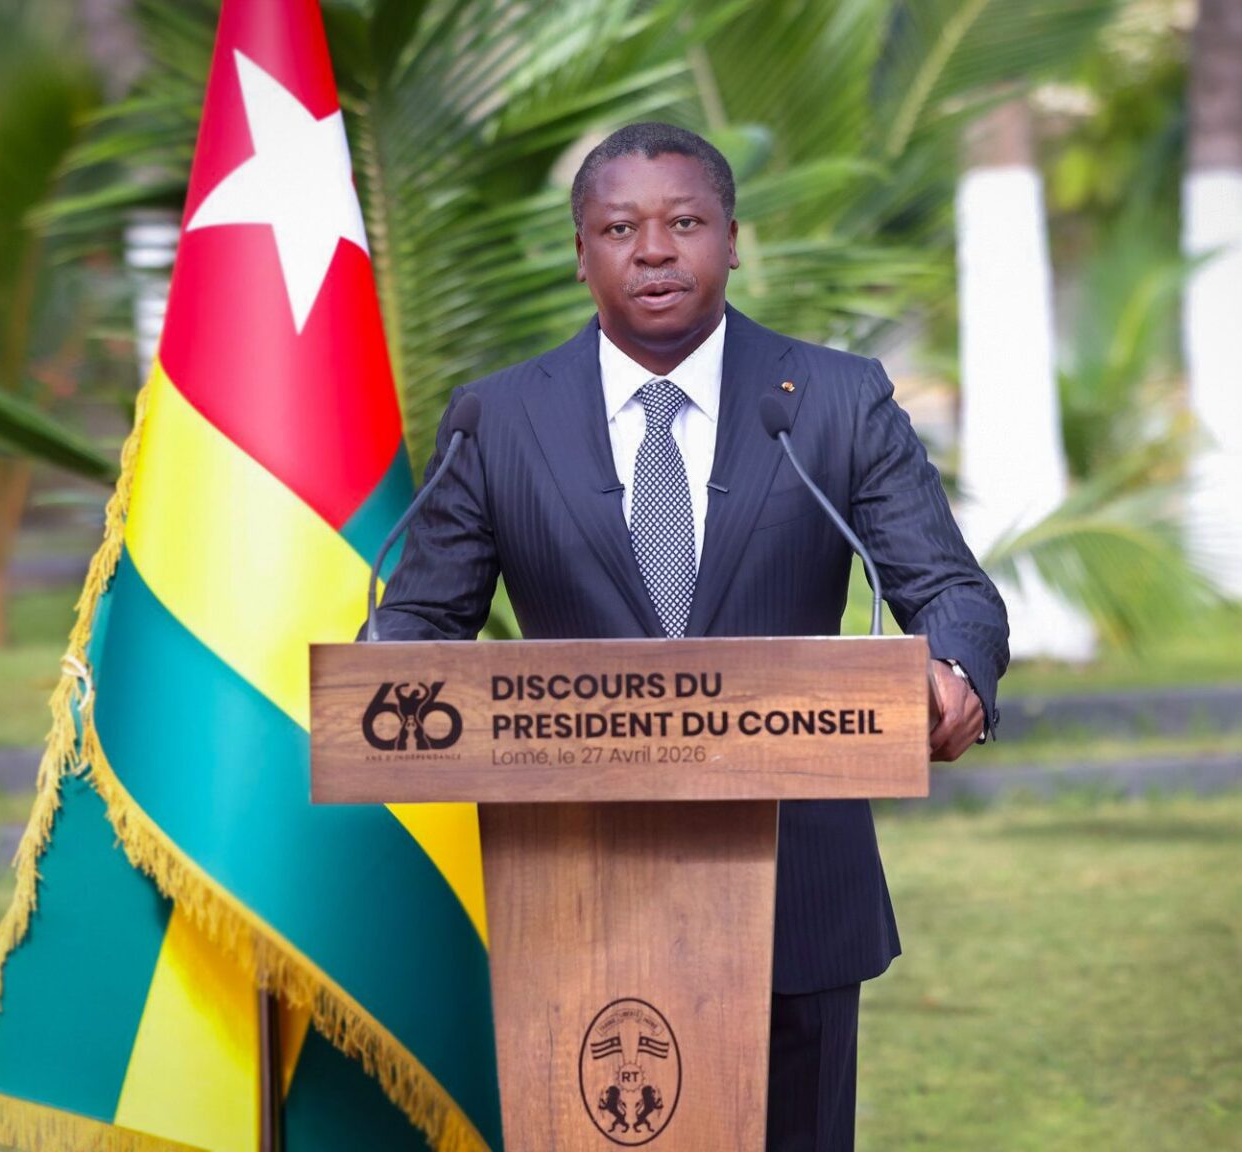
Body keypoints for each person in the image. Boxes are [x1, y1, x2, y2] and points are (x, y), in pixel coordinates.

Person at [373, 122, 1009, 1152]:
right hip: (569, 888)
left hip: (795, 890)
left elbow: (948, 588)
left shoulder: (835, 401)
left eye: (684, 222)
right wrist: (381, 680)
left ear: (733, 239)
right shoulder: (497, 419)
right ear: (581, 253)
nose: (654, 251)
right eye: (620, 228)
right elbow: (421, 619)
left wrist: (955, 667)